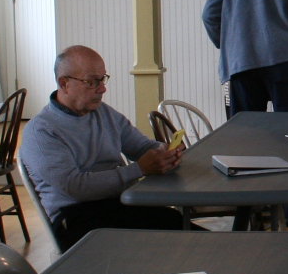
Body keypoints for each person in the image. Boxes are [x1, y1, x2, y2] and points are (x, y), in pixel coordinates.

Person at [18, 45, 186, 248]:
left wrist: (164, 151)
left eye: (102, 79)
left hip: (118, 204)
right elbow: (75, 187)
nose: (102, 89)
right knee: (177, 239)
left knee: (180, 227)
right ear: (64, 83)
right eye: (91, 82)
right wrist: (139, 169)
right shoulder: (41, 131)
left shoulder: (103, 113)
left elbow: (140, 146)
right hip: (76, 218)